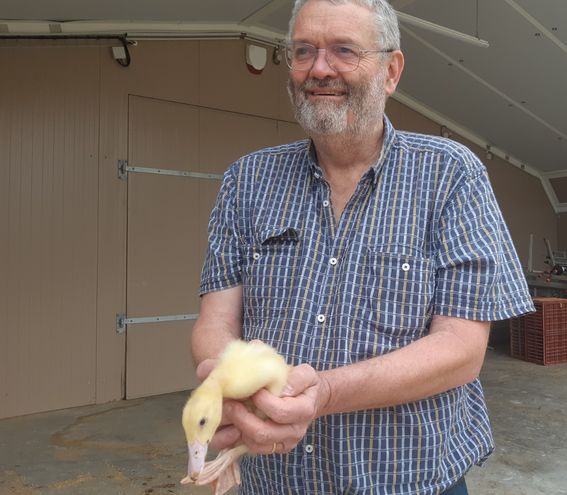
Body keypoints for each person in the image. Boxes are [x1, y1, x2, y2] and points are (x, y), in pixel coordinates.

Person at [191, 0, 534, 493]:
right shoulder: (247, 180)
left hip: (409, 478)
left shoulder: (450, 174)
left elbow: (462, 350)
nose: (319, 68)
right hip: (275, 479)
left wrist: (324, 393)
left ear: (391, 70)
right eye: (304, 51)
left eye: (344, 50)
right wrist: (226, 377)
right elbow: (215, 320)